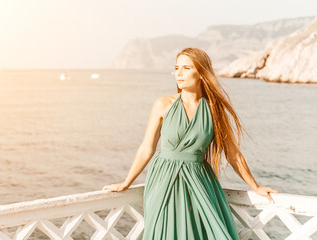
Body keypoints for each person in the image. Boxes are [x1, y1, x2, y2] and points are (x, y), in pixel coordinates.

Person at [102, 47, 278, 239]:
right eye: (177, 68)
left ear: (201, 73)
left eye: (186, 68)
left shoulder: (214, 111)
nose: (178, 73)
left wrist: (255, 187)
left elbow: (233, 154)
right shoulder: (163, 104)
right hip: (163, 179)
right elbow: (147, 148)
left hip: (199, 181)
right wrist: (125, 183)